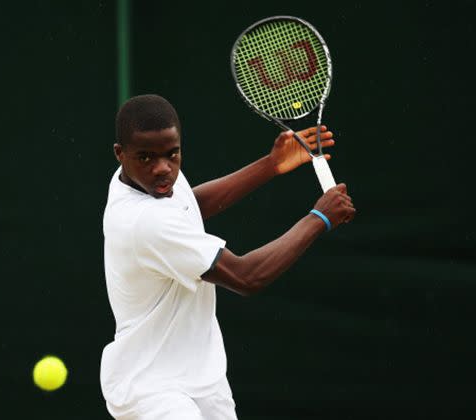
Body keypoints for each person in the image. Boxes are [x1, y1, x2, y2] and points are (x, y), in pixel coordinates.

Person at [101, 94, 355, 419]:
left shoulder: (140, 182)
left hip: (202, 377)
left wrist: (271, 165)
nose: (163, 168)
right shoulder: (144, 222)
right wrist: (318, 219)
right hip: (150, 388)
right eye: (146, 158)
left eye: (172, 154)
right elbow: (247, 277)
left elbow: (189, 206)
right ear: (120, 154)